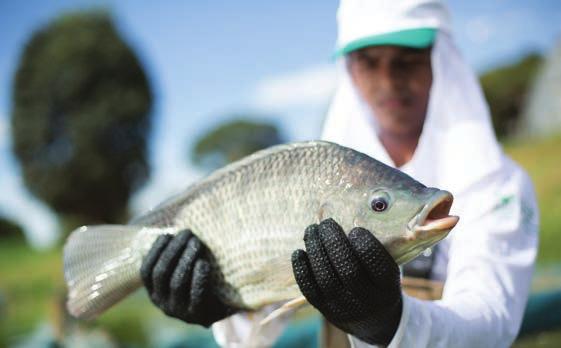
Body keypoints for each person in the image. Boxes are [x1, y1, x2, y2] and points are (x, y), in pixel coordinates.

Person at [139, 0, 539, 347]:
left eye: (407, 61)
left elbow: (491, 322)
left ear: (442, 60)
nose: (388, 81)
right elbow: (257, 332)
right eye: (368, 62)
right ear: (348, 68)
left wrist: (387, 321)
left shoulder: (499, 185)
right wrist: (223, 306)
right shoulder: (319, 182)